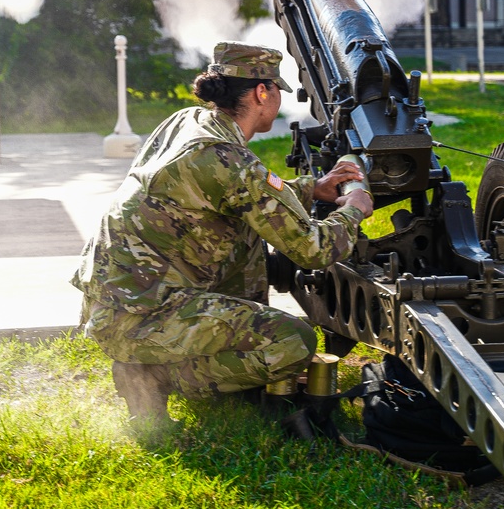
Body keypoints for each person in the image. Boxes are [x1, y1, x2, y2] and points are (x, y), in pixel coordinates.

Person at [72, 41, 374, 426]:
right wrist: (352, 211)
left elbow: (241, 193)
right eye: (277, 89)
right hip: (142, 319)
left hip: (113, 302)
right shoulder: (229, 160)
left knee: (246, 231)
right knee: (293, 343)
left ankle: (208, 359)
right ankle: (151, 377)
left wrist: (309, 187)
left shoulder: (187, 122)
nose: (279, 97)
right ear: (261, 92)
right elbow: (314, 250)